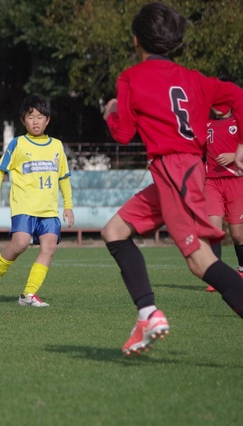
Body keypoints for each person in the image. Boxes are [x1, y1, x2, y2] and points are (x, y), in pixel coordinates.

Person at [101, 2, 243, 357]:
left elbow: (122, 134)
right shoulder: (196, 79)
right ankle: (147, 314)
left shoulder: (131, 78)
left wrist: (111, 112)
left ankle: (148, 315)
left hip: (175, 172)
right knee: (114, 231)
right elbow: (239, 97)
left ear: (136, 40)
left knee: (200, 262)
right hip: (179, 172)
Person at [0, 95, 74, 307]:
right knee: (20, 243)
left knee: (49, 248)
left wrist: (68, 206)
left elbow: (64, 178)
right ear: (23, 120)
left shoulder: (57, 146)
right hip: (24, 207)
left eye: (40, 117)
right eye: (31, 117)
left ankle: (28, 294)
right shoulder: (18, 144)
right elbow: (0, 170)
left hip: (49, 210)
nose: (35, 121)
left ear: (47, 120)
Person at [204, 104, 243, 291]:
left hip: (236, 181)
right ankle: (216, 278)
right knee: (213, 229)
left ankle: (242, 269)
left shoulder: (239, 122)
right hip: (212, 182)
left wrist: (234, 156)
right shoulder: (206, 124)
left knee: (237, 234)